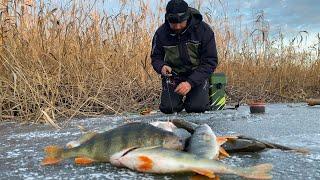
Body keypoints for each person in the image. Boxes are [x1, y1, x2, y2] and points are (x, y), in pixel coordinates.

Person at [151, 0, 218, 114]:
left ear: (187, 17)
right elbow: (155, 57)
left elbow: (210, 61)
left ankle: (201, 95)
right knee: (169, 109)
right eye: (173, 23)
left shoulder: (204, 30)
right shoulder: (160, 33)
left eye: (181, 22)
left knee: (196, 108)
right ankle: (177, 101)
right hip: (173, 77)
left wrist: (190, 83)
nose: (177, 27)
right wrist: (162, 67)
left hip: (197, 75)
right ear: (167, 19)